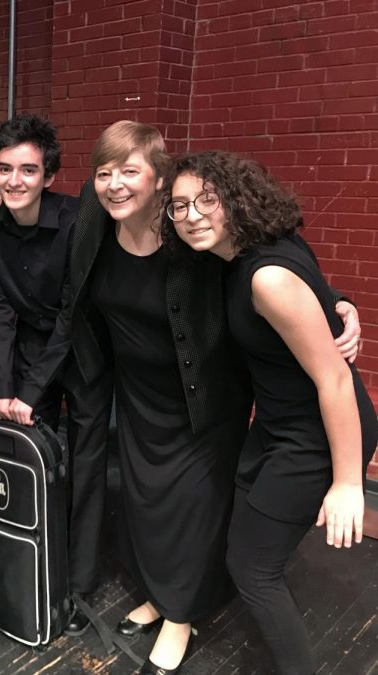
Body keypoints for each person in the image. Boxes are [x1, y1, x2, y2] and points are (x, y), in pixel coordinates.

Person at [27, 120, 360, 674]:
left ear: (159, 179)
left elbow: (266, 255)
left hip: (203, 396)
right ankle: (162, 593)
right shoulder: (92, 215)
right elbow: (61, 262)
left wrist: (337, 302)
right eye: (104, 172)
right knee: (147, 505)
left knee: (195, 507)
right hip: (136, 396)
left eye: (129, 171)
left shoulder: (191, 233)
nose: (113, 184)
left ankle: (180, 615)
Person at [164, 150, 377, 675]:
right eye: (178, 206)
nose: (192, 215)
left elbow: (332, 379)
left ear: (234, 200)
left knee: (254, 568)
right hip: (279, 424)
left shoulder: (265, 277)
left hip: (315, 434)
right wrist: (343, 303)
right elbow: (320, 295)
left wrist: (348, 482)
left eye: (206, 200)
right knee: (246, 532)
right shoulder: (253, 250)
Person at [0, 114, 113, 637]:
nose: (14, 180)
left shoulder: (78, 220)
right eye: (5, 169)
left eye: (28, 170)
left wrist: (29, 389)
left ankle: (78, 583)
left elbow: (70, 315)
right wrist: (5, 386)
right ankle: (40, 558)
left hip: (85, 350)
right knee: (41, 460)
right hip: (34, 348)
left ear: (49, 176)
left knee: (86, 463)